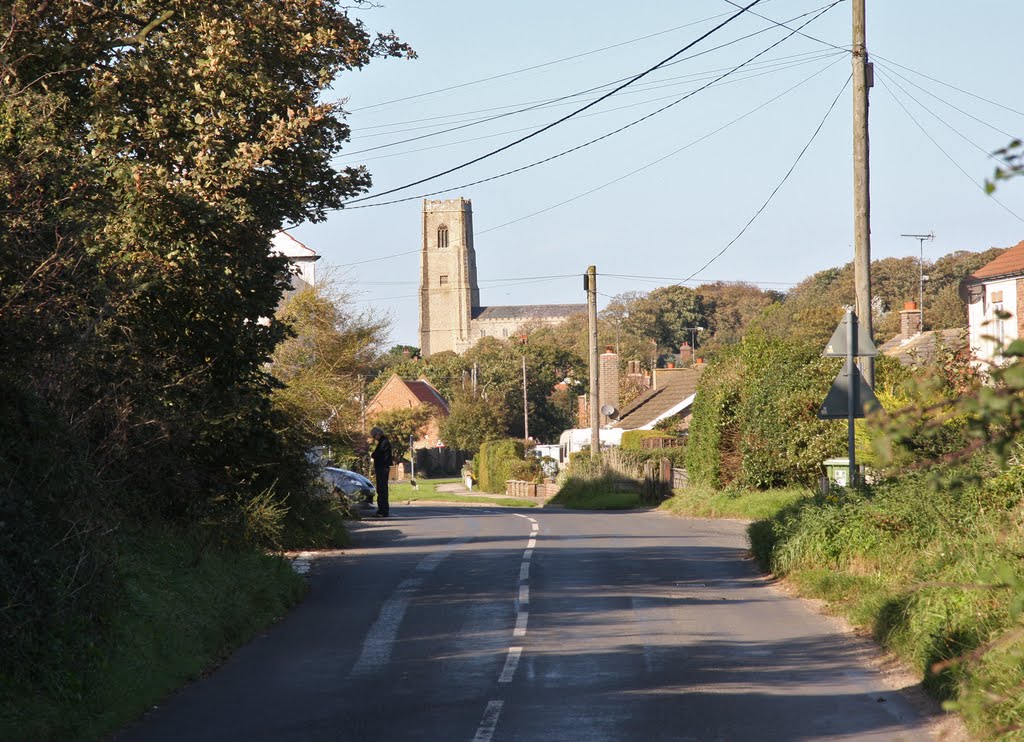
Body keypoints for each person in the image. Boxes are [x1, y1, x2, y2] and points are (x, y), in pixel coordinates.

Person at [369, 427, 393, 517]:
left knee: (382, 489)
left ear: (378, 434)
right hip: (382, 467)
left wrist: (373, 454)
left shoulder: (383, 442)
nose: (374, 438)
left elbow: (376, 454)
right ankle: (382, 509)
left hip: (382, 467)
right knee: (382, 489)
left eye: (374, 436)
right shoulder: (383, 441)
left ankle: (383, 510)